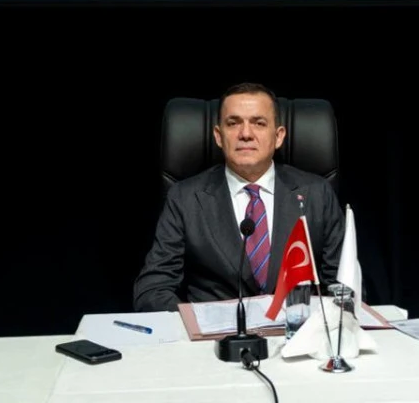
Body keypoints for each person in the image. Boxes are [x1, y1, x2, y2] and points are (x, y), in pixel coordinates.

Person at [133, 83, 345, 312]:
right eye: (233, 123)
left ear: (278, 136)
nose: (245, 134)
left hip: (298, 329)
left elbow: (344, 285)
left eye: (259, 123)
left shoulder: (318, 193)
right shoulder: (185, 198)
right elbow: (152, 289)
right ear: (218, 136)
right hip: (213, 332)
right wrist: (198, 322)